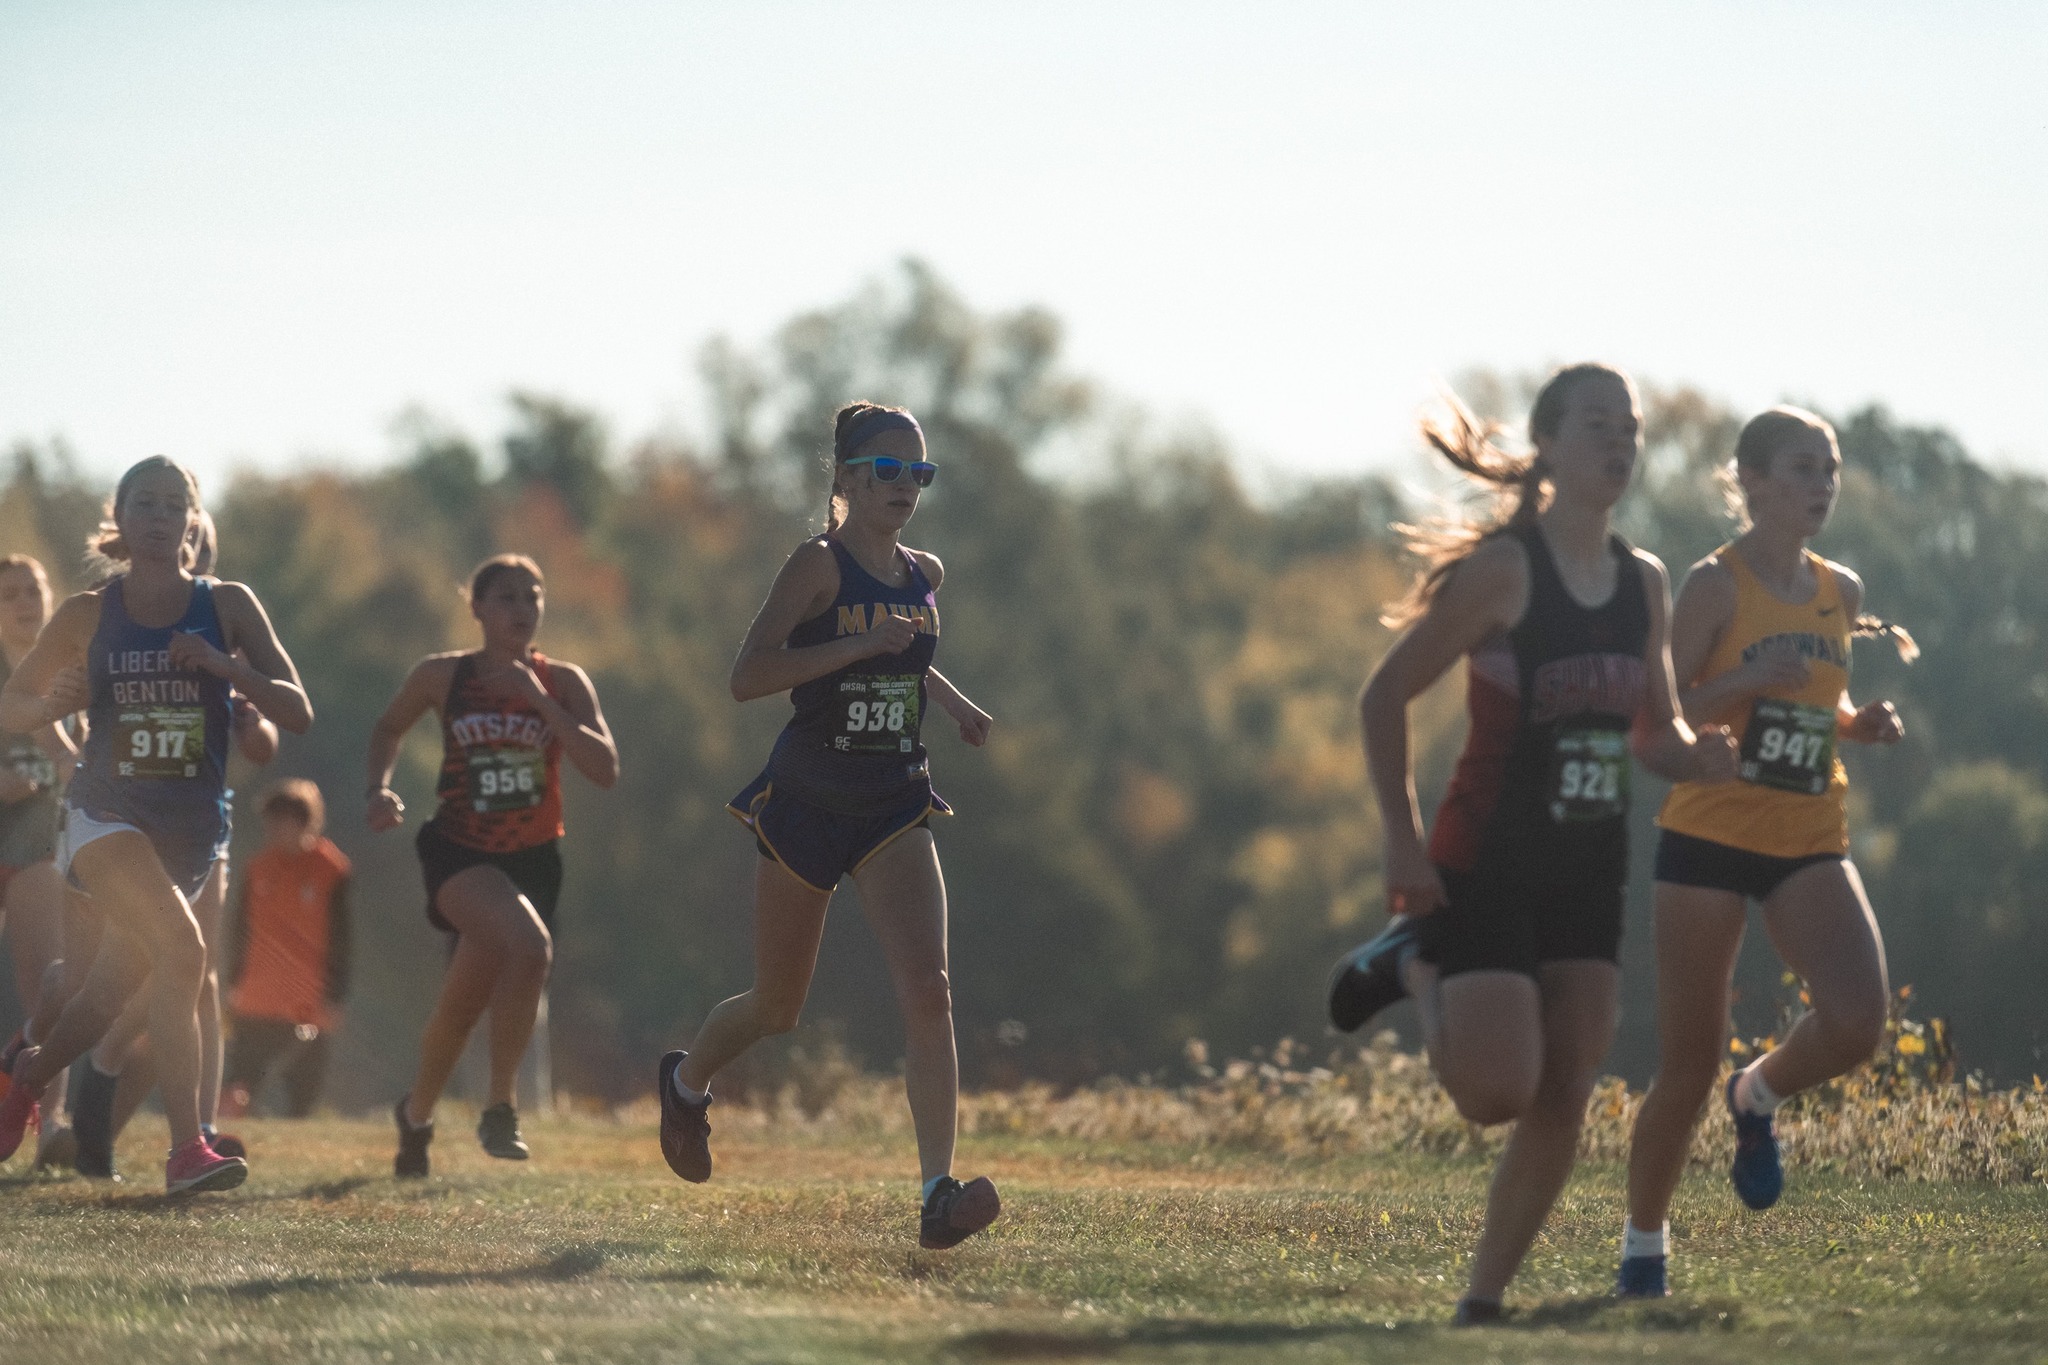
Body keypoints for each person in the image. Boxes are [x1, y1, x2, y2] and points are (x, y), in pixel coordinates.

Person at [1324, 365, 1739, 1322]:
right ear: (1548, 444)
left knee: (1567, 1086)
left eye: (1630, 427)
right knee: (1495, 1093)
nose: (1620, 442)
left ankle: (1481, 1301)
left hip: (1589, 868)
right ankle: (1419, 969)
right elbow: (1384, 694)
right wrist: (1403, 841)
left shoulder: (1645, 582)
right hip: (1487, 859)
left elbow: (1652, 731)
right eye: (1598, 424)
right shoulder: (1508, 571)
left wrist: (1699, 760)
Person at [656, 401, 1000, 1251]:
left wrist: (952, 703)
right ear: (846, 477)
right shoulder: (815, 565)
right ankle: (687, 1081)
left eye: (919, 474)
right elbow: (748, 676)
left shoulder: (925, 571)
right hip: (808, 799)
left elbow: (906, 651)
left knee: (931, 989)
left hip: (894, 798)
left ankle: (935, 1193)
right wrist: (855, 646)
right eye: (888, 471)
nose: (905, 488)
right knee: (778, 1006)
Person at [1615, 406, 1913, 1298]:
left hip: (1808, 838)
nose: (1821, 485)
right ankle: (1642, 1246)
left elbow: (1817, 703)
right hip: (1707, 835)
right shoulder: (1713, 585)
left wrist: (1861, 726)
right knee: (1685, 1062)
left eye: (1830, 468)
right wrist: (1743, 680)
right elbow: (1661, 714)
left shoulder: (1840, 590)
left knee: (1858, 1019)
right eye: (1801, 468)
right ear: (1748, 480)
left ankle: (1759, 1095)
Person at [0, 456, 312, 1193]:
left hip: (191, 830)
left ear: (191, 520)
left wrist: (224, 667)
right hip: (104, 814)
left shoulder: (228, 604)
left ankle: (24, 1078)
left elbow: (296, 708)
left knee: (106, 994)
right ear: (121, 516)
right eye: (145, 503)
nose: (160, 515)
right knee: (183, 948)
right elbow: (11, 702)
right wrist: (51, 706)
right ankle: (185, 1151)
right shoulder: (85, 612)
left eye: (175, 504)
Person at [368, 554, 617, 1177]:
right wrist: (378, 788)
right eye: (507, 598)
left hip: (532, 860)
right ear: (476, 608)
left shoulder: (563, 682)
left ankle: (415, 1115)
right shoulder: (442, 675)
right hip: (460, 851)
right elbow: (388, 729)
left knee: (461, 1005)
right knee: (530, 949)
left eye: (533, 597)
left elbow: (605, 769)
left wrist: (540, 703)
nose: (523, 609)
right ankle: (501, 1107)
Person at [69, 509, 278, 1175]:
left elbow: (265, 738)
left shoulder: (223, 624)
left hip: (202, 824)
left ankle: (190, 1126)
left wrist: (240, 697)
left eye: (200, 546)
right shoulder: (117, 619)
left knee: (199, 973)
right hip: (127, 819)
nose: (189, 555)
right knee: (152, 966)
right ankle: (91, 1075)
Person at [0, 554, 81, 1167]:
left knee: (49, 982)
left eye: (34, 590)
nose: (25, 603)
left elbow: (78, 759)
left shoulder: (72, 670)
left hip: (37, 844)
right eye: (9, 594)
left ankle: (52, 1122)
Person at [218, 778, 350, 1118]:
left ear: (305, 822)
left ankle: (296, 1128)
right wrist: (232, 982)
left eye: (283, 820)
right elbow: (240, 930)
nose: (274, 829)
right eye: (270, 820)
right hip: (256, 995)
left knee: (304, 1080)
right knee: (241, 1074)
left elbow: (342, 937)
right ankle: (231, 1131)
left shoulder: (331, 870)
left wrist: (335, 996)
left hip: (307, 998)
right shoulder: (257, 867)